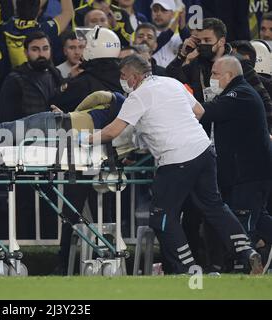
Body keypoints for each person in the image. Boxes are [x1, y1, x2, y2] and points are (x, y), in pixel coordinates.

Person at [85, 54, 264, 274]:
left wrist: (82, 138)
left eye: (123, 75)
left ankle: (188, 268)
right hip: (203, 150)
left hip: (176, 158)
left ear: (134, 76)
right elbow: (199, 112)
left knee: (162, 216)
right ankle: (246, 251)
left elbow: (112, 131)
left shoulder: (138, 96)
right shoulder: (172, 82)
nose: (121, 80)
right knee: (214, 206)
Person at [199, 56, 272, 270]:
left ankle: (247, 265)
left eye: (215, 74)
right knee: (258, 220)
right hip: (246, 174)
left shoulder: (240, 93)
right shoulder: (238, 93)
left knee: (244, 223)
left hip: (250, 174)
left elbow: (206, 112)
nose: (211, 78)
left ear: (229, 75)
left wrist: (181, 99)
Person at [51, 26, 123, 112]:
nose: (79, 52)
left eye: (83, 46)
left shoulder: (84, 82)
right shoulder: (126, 75)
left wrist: (70, 80)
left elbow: (54, 103)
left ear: (92, 49)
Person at [0, 32, 63, 122]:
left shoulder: (56, 75)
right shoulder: (14, 79)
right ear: (25, 52)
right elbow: (7, 119)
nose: (41, 54)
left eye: (45, 48)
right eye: (35, 49)